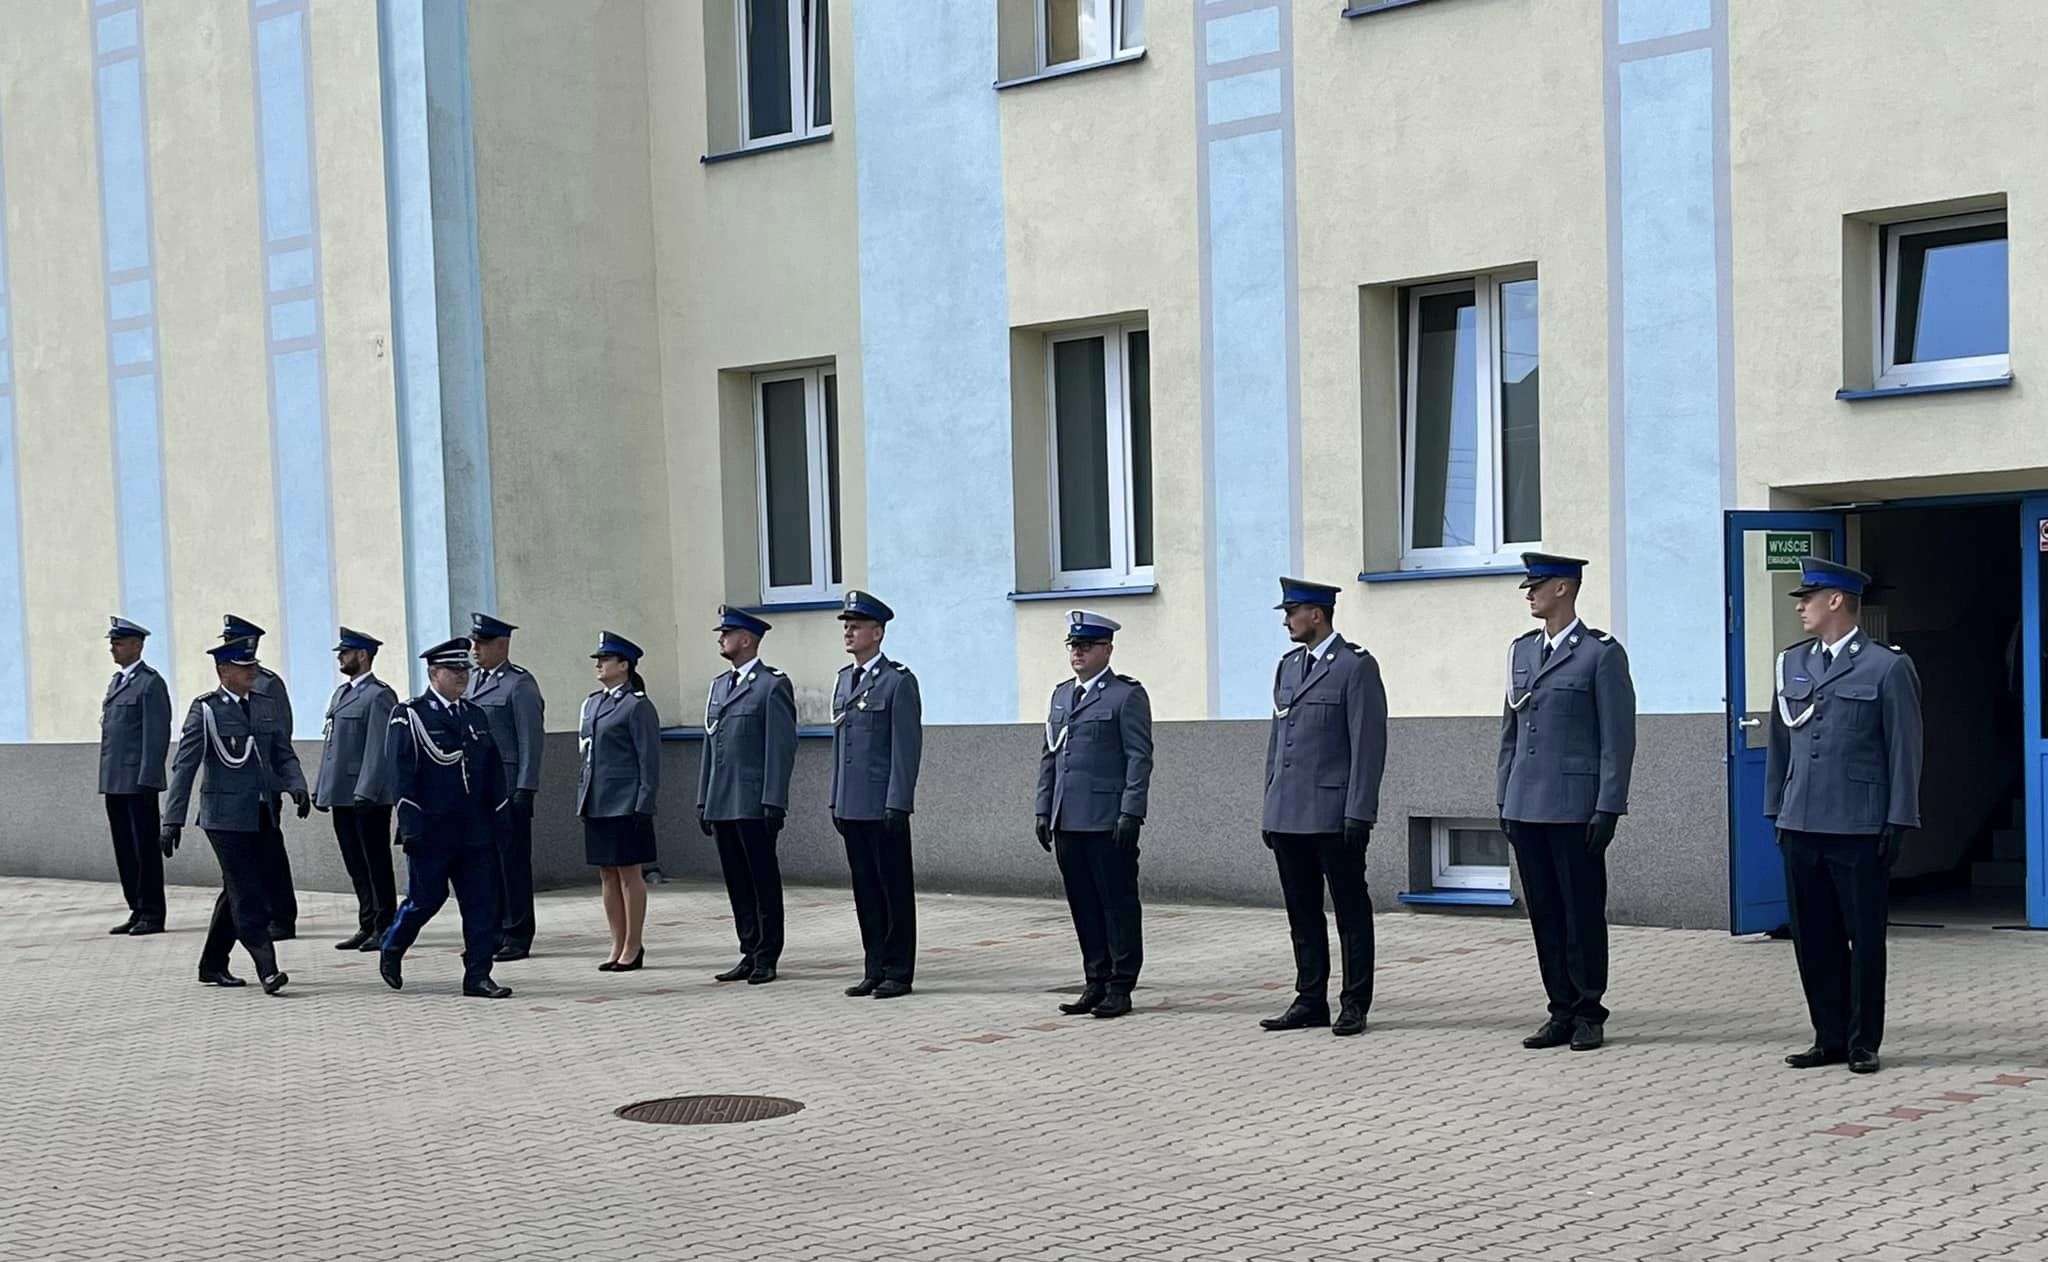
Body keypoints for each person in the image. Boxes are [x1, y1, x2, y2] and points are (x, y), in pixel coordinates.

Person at [1767, 557, 1923, 1075]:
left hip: (1859, 824)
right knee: (1813, 937)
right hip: (1801, 822)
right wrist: (1776, 810)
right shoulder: (1792, 663)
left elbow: (1905, 748)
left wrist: (1900, 818)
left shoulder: (1886, 666)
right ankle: (1827, 1036)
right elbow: (1779, 747)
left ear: (1837, 601)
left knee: (1864, 936)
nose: (1801, 607)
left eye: (1808, 598)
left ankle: (1862, 1041)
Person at [1497, 553, 1637, 1053]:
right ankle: (1558, 1008)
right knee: (1545, 914)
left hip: (1576, 805)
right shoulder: (1521, 652)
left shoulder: (1600, 654)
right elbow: (1510, 734)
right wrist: (1503, 797)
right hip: (1525, 803)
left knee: (1581, 912)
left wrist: (1608, 806)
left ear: (1563, 588)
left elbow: (1616, 740)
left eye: (1536, 586)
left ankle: (1588, 1010)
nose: (1529, 594)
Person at [1259, 577, 1387, 1038]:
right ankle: (1310, 997)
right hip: (1289, 811)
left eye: (1292, 612)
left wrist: (1360, 811)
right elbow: (1279, 742)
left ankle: (1354, 1001)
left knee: (1351, 911)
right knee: (1302, 910)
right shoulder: (1288, 667)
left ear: (1317, 614)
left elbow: (1368, 746)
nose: (1287, 621)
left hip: (1334, 814)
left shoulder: (1354, 667)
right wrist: (1270, 804)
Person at [159, 639, 305, 994]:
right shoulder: (206, 711)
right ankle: (267, 966)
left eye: (253, 665)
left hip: (262, 812)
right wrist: (171, 820)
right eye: (244, 667)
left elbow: (282, 753)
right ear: (224, 671)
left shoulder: (265, 706)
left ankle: (212, 964)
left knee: (239, 887)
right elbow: (185, 768)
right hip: (224, 818)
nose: (252, 671)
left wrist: (296, 785)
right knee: (247, 892)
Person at [377, 637, 514, 999]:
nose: (462, 677)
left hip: (475, 831)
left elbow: (493, 771)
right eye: (454, 671)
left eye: (464, 670)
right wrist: (410, 824)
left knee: (481, 904)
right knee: (426, 899)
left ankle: (478, 975)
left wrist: (501, 816)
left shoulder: (474, 715)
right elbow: (401, 773)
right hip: (433, 830)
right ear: (433, 673)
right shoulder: (410, 715)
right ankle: (393, 946)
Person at [1034, 610, 1153, 1020]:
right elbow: (1050, 757)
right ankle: (1095, 979)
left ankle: (1120, 984)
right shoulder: (1062, 695)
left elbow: (1139, 758)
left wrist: (1131, 812)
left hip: (1107, 818)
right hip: (1068, 817)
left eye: (1086, 646)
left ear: (1107, 649)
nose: (1078, 653)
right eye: (1074, 646)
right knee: (1083, 902)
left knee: (1116, 903)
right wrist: (1042, 808)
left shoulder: (1125, 696)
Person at [829, 591, 923, 998]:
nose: (848, 631)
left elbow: (906, 748)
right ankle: (874, 964)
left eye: (856, 625)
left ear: (878, 632)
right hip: (853, 804)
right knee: (865, 889)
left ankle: (899, 971)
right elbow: (840, 747)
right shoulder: (844, 680)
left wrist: (897, 802)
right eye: (846, 625)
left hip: (882, 804)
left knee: (893, 888)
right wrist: (836, 798)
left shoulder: (897, 681)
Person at [697, 606, 798, 984]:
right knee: (736, 881)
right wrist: (702, 799)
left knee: (761, 879)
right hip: (722, 800)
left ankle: (767, 955)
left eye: (727, 633)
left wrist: (774, 800)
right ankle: (748, 948)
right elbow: (710, 746)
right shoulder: (719, 686)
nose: (721, 639)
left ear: (747, 639)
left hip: (753, 801)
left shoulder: (771, 685)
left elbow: (781, 748)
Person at [578, 631, 661, 972]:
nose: (598, 664)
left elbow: (649, 759)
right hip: (597, 801)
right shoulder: (594, 703)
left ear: (624, 665)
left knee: (629, 875)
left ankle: (633, 945)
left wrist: (644, 802)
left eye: (605, 659)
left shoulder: (637, 705)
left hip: (625, 803)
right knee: (607, 875)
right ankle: (616, 942)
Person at [313, 627, 399, 951]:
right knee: (354, 861)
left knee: (375, 861)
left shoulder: (379, 695)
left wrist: (366, 790)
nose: (340, 657)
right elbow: (332, 743)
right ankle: (367, 922)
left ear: (362, 655)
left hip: (369, 797)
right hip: (342, 794)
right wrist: (322, 788)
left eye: (345, 652)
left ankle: (385, 924)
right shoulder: (342, 694)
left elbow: (379, 748)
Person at [466, 612, 545, 962]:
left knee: (512, 863)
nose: (474, 650)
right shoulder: (471, 683)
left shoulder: (519, 684)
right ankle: (493, 930)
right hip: (480, 790)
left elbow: (531, 740)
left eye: (481, 644)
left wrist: (525, 787)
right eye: (473, 643)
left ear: (501, 645)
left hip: (509, 788)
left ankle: (517, 934)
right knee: (486, 863)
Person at [220, 614, 301, 938]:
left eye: (233, 642)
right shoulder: (227, 685)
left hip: (264, 787)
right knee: (244, 860)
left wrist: (284, 780)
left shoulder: (267, 684)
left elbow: (281, 736)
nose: (227, 647)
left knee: (270, 856)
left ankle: (281, 916)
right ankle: (255, 915)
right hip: (236, 791)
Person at [99, 616, 172, 936]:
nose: (113, 648)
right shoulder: (117, 682)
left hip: (138, 782)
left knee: (144, 848)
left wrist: (148, 779)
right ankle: (136, 907)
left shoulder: (150, 682)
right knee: (124, 848)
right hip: (115, 780)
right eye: (112, 643)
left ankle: (153, 912)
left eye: (118, 643)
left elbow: (156, 736)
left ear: (137, 645)